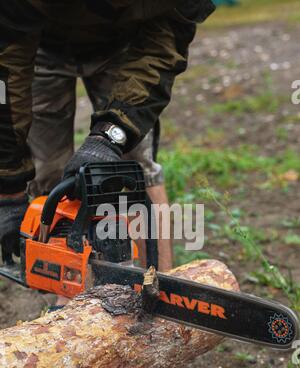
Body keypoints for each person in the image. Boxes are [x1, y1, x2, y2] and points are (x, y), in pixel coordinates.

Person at [0, 0, 215, 273]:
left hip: (127, 42)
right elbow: (5, 64)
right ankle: (71, 297)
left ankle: (159, 286)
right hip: (39, 42)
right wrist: (8, 186)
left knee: (135, 169)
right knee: (50, 174)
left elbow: (164, 46)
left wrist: (114, 134)